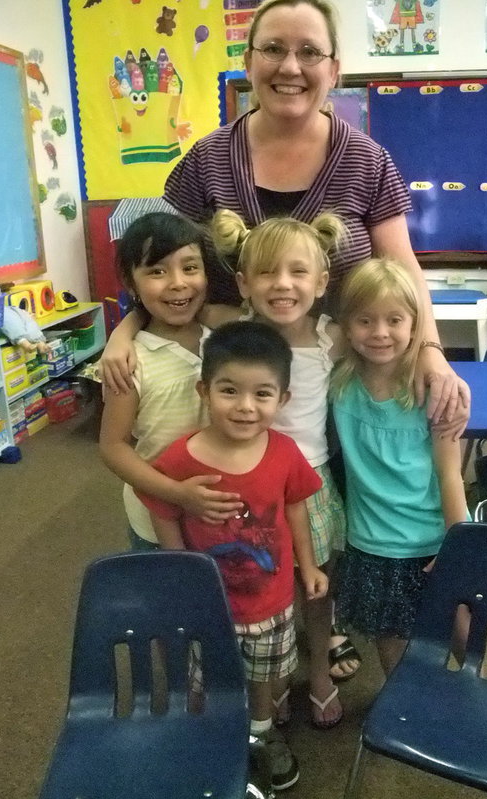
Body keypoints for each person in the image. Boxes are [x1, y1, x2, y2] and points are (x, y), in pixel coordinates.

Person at [100, 0, 470, 432]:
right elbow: (165, 268)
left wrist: (430, 350)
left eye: (309, 52)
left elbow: (402, 271)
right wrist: (126, 330)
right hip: (233, 396)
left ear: (333, 70)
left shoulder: (367, 161)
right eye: (273, 49)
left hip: (342, 383)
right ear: (248, 62)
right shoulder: (207, 159)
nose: (290, 67)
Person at [137, 321, 328, 792]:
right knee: (205, 677)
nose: (245, 406)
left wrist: (308, 566)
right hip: (208, 604)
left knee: (263, 678)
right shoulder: (180, 458)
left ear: (283, 399)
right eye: (229, 391)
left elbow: (296, 507)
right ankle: (214, 736)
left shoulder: (284, 452)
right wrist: (182, 575)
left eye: (262, 394)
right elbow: (162, 509)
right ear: (204, 391)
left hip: (270, 601)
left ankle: (261, 733)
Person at [206, 208, 354, 726]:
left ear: (321, 282)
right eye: (266, 273)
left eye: (297, 272)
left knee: (318, 588)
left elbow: (394, 334)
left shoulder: (332, 337)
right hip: (252, 489)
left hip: (310, 485)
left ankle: (319, 672)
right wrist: (122, 331)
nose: (283, 284)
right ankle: (273, 680)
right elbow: (160, 314)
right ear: (243, 283)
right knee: (265, 590)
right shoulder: (231, 335)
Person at [330, 258, 469, 676]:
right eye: (365, 320)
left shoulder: (434, 391)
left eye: (394, 320)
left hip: (434, 541)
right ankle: (404, 707)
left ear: (415, 325)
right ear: (346, 326)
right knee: (394, 655)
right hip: (372, 546)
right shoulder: (339, 382)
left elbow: (450, 475)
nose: (380, 332)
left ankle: (479, 700)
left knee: (465, 635)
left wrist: (459, 545)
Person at [99, 212, 243, 550]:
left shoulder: (225, 338)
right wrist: (176, 493)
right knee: (167, 583)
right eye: (157, 271)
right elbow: (113, 447)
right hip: (157, 521)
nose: (178, 282)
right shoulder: (129, 360)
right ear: (131, 283)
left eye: (190, 268)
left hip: (224, 515)